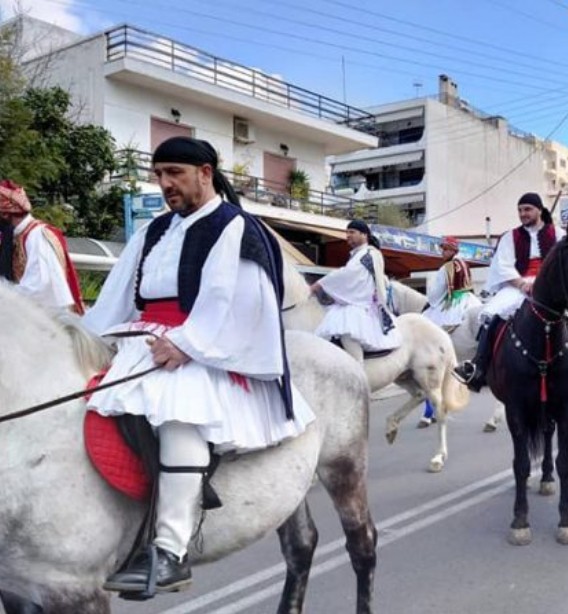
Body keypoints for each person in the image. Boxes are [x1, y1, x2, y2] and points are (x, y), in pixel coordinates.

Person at [82, 136, 315, 594]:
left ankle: (170, 551)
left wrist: (188, 345)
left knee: (178, 415)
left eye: (175, 174)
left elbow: (240, 300)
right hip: (144, 338)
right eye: (160, 175)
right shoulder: (153, 230)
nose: (165, 184)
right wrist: (88, 335)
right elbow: (117, 297)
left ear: (205, 173)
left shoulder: (234, 227)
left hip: (206, 345)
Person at [453, 191, 568, 395]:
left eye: (527, 209)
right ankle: (478, 368)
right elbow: (503, 267)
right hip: (518, 286)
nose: (523, 214)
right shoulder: (510, 237)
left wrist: (548, 284)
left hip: (551, 288)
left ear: (539, 211)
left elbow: (567, 264)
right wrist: (522, 284)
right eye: (520, 210)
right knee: (489, 314)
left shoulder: (558, 234)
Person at [312, 219, 401, 363]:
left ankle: (357, 368)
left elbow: (349, 274)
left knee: (347, 332)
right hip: (356, 300)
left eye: (352, 232)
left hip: (361, 304)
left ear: (364, 235)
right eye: (347, 233)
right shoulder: (358, 254)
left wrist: (321, 284)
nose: (348, 235)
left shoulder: (369, 254)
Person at [0, 179, 85, 314]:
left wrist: (4, 294)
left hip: (49, 324)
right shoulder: (16, 236)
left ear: (5, 213)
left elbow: (39, 287)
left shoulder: (37, 235)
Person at [423, 235, 481, 329]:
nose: (442, 252)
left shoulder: (446, 267)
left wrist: (430, 300)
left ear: (453, 250)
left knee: (427, 320)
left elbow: (438, 291)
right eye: (442, 249)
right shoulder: (464, 263)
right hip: (470, 298)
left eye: (445, 249)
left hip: (455, 301)